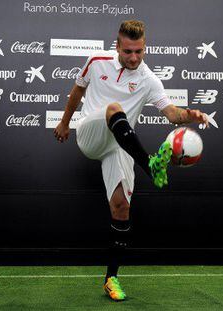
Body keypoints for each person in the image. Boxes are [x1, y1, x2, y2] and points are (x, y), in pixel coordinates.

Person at [53, 20, 208, 301]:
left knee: (121, 207)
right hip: (92, 132)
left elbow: (172, 114)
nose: (134, 57)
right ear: (117, 47)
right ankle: (149, 163)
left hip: (120, 145)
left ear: (144, 47)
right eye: (128, 52)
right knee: (114, 108)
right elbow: (77, 90)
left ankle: (111, 278)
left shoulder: (148, 78)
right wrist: (65, 123)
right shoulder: (96, 61)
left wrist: (191, 115)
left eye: (139, 51)